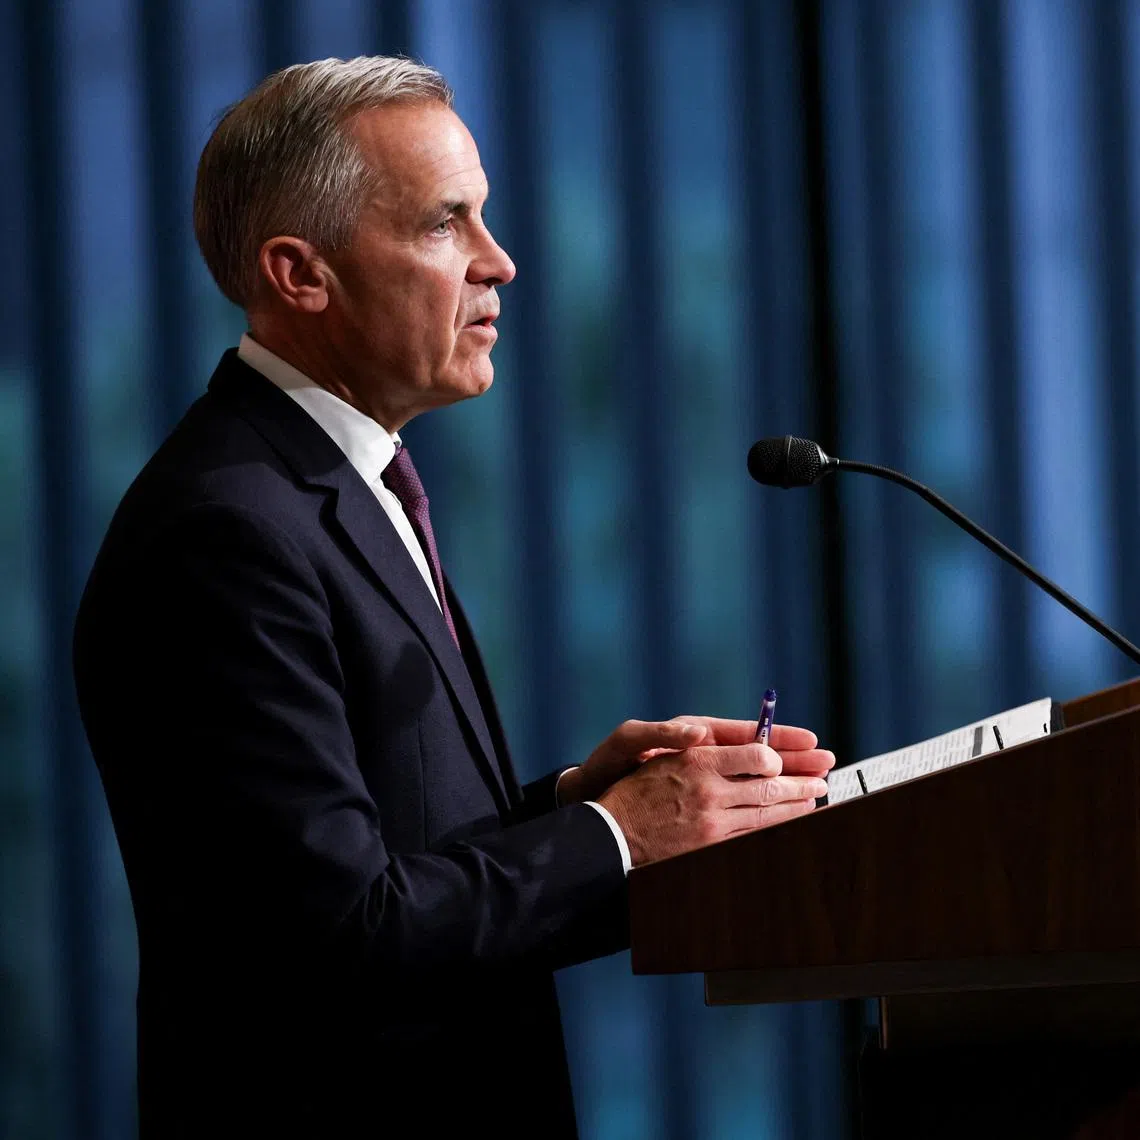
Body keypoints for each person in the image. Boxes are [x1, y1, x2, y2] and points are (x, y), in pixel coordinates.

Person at [72, 56, 834, 1138]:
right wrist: (616, 837)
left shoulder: (338, 481)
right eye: (445, 225)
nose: (502, 262)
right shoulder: (225, 531)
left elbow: (390, 854)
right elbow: (335, 934)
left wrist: (578, 806)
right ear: (301, 274)